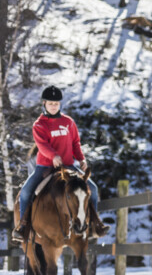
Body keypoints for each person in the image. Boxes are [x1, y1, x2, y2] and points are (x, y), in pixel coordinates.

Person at [12, 86, 110, 242]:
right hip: (45, 167)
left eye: (56, 103)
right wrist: (53, 156)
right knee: (25, 192)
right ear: (44, 104)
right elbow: (42, 145)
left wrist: (82, 159)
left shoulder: (68, 122)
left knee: (93, 188)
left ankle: (93, 224)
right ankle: (23, 227)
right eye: (50, 103)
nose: (53, 106)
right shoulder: (39, 125)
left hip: (68, 165)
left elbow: (76, 143)